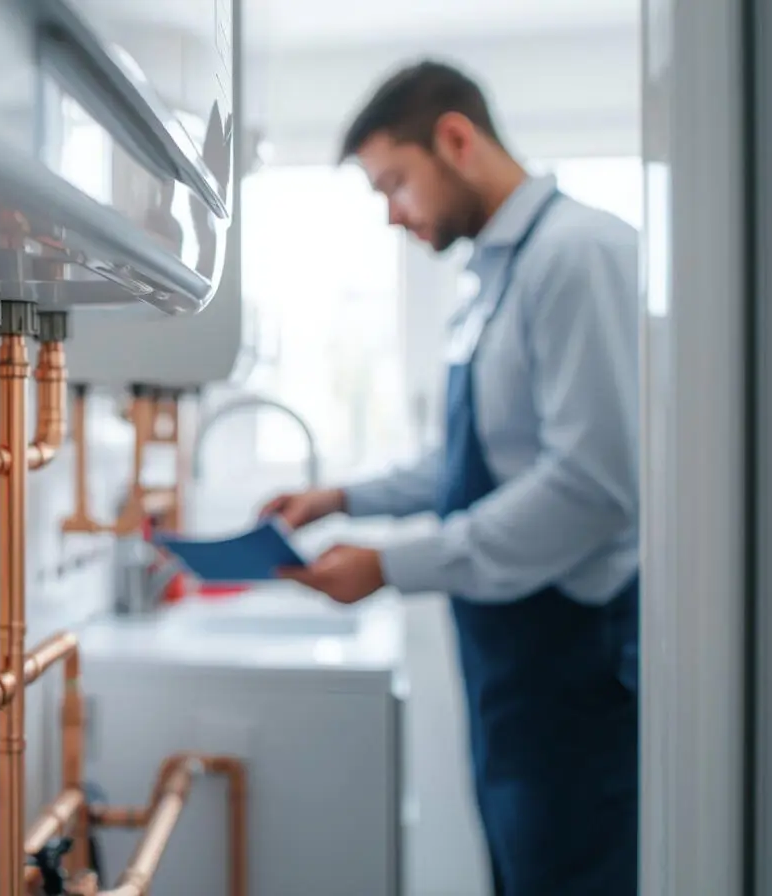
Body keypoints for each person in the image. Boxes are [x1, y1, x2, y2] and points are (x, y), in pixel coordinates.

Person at [262, 60, 641, 895]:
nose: (396, 217)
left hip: (575, 666)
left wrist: (391, 565)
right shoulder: (490, 280)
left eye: (395, 184)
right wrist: (343, 499)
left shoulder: (579, 255)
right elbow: (474, 461)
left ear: (456, 140)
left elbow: (591, 488)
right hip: (511, 666)